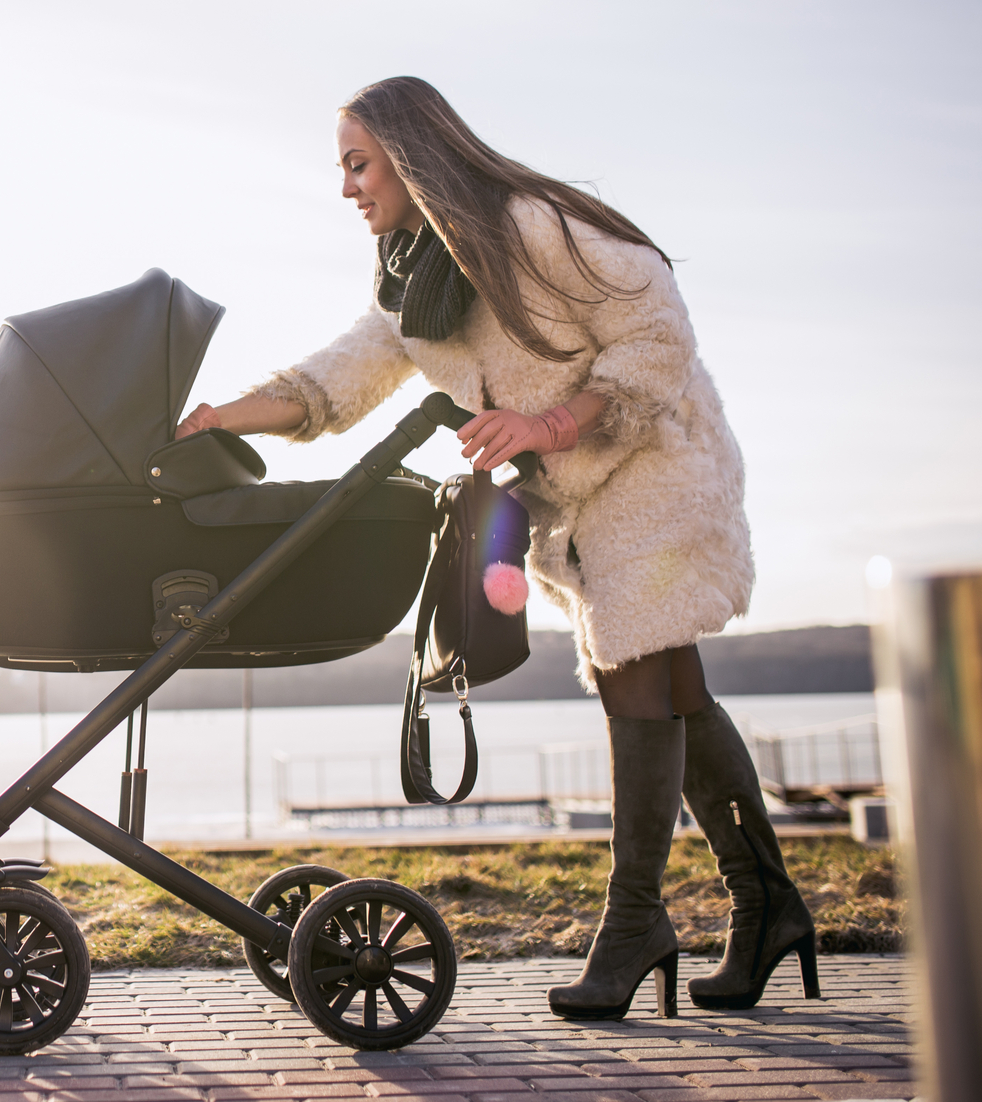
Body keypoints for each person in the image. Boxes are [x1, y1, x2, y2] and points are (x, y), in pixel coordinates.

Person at [178, 76, 814, 1019]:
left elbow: (654, 330)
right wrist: (224, 415)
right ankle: (766, 905)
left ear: (409, 154)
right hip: (577, 489)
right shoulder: (412, 281)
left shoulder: (530, 226)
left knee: (634, 659)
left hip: (654, 458)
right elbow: (335, 381)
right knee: (670, 681)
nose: (348, 188)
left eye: (358, 165)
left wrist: (546, 424)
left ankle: (636, 922)